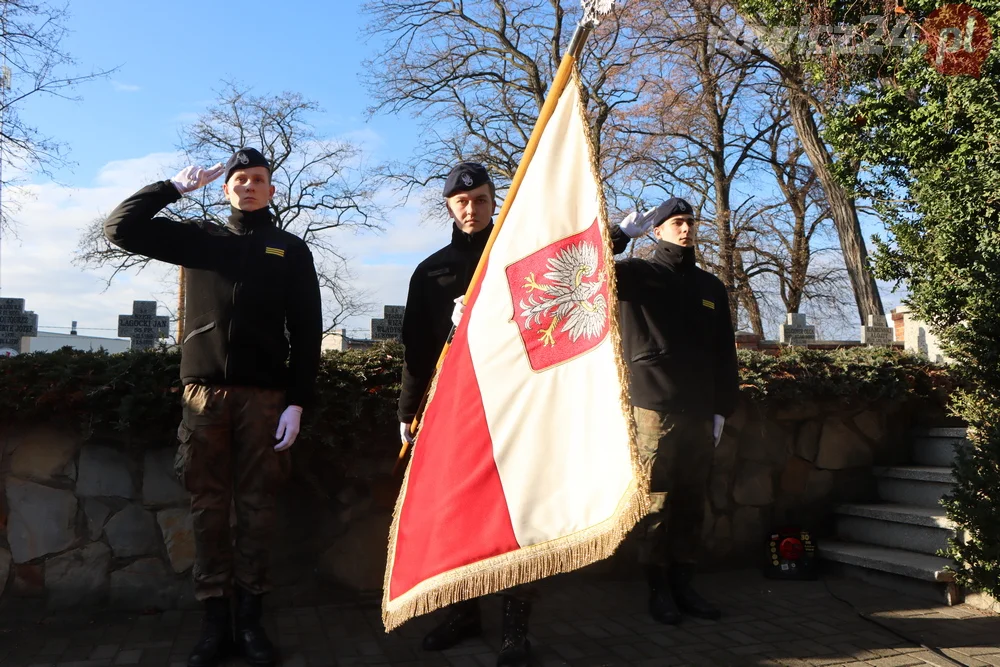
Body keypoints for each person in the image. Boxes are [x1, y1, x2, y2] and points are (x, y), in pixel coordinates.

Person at [104, 148, 323, 667]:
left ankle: (250, 620)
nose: (248, 186)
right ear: (226, 188)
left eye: (258, 180)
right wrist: (171, 190)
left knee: (257, 508)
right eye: (239, 179)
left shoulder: (289, 249)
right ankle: (213, 622)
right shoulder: (200, 238)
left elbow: (309, 330)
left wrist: (297, 400)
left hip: (266, 399)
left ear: (272, 190)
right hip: (204, 394)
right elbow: (118, 229)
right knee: (207, 508)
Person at [398, 161, 532, 666]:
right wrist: (408, 411)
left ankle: (515, 627)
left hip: (511, 405)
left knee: (514, 513)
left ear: (494, 200)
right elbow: (416, 349)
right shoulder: (430, 271)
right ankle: (463, 612)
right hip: (454, 410)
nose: (471, 209)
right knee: (458, 514)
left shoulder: (517, 256)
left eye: (479, 199)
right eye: (461, 202)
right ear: (449, 206)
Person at [611, 197, 739, 625]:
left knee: (691, 499)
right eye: (675, 223)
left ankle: (685, 583)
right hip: (654, 405)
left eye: (689, 222)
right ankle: (657, 587)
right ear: (656, 231)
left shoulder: (710, 287)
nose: (685, 230)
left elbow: (724, 351)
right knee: (657, 501)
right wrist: (617, 237)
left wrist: (722, 407)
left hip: (700, 408)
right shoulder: (635, 276)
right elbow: (588, 271)